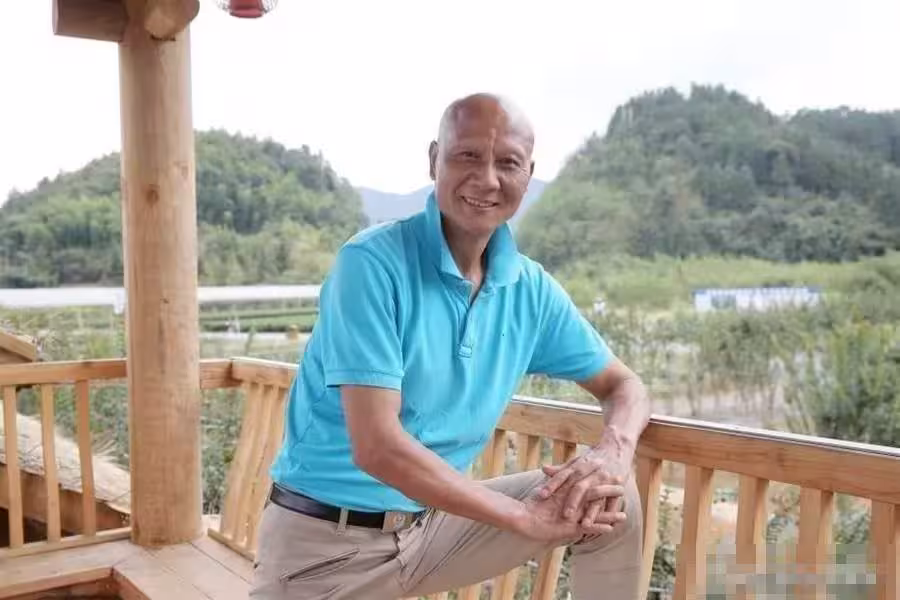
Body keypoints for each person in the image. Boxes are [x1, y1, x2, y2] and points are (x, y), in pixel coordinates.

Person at [251, 93, 651, 600]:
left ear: (528, 175)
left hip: (432, 529)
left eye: (508, 163)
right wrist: (523, 517)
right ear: (434, 159)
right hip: (326, 545)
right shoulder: (372, 263)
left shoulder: (530, 290)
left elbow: (625, 385)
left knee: (608, 496)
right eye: (468, 156)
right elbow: (377, 447)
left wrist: (614, 450)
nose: (487, 179)